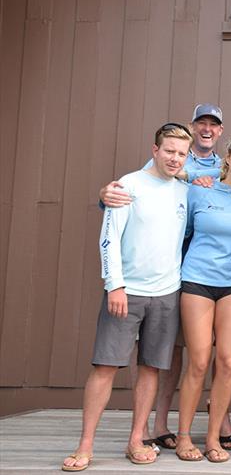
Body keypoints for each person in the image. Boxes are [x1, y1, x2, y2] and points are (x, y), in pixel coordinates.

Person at [61, 123, 193, 472]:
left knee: (150, 368)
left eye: (181, 153)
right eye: (169, 151)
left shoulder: (184, 189)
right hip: (127, 292)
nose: (175, 158)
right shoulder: (128, 185)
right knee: (105, 367)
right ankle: (85, 445)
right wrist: (114, 285)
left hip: (167, 293)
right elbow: (109, 238)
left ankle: (137, 439)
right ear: (155, 149)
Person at [96, 104, 226, 452]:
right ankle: (110, 438)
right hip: (144, 285)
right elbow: (120, 214)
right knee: (129, 362)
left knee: (169, 360)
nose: (207, 129)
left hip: (178, 283)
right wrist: (103, 198)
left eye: (214, 125)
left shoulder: (210, 174)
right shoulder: (141, 176)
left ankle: (149, 435)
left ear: (221, 131)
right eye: (202, 123)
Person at [174, 134, 231, 463]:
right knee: (198, 361)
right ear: (229, 156)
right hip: (197, 280)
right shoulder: (201, 189)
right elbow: (181, 231)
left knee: (227, 361)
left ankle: (212, 438)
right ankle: (183, 437)